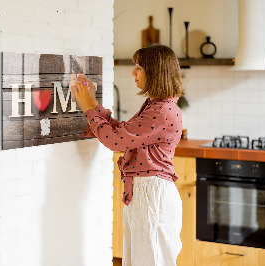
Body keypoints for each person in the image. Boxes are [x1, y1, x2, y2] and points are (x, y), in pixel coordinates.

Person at [72, 44, 184, 266]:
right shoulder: (157, 106)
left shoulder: (161, 111)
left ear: (155, 72)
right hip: (147, 193)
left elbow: (115, 141)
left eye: (139, 67)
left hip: (152, 195)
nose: (133, 72)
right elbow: (123, 133)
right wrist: (94, 104)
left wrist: (87, 108)